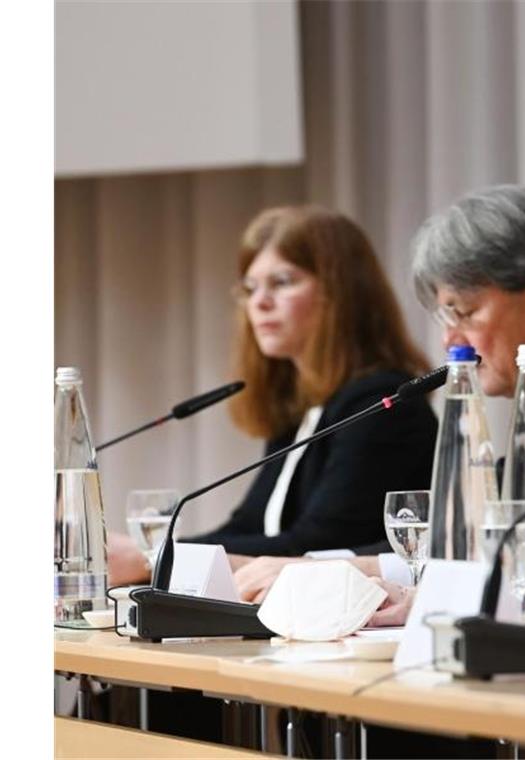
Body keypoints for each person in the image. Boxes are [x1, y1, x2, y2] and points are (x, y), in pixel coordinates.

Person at [233, 185, 525, 606]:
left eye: (464, 313)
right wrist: (328, 568)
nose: (452, 344)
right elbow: (464, 533)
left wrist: (341, 569)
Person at [108, 205, 438, 585]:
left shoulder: (383, 406)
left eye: (282, 282)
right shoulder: (303, 405)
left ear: (341, 293)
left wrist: (153, 559)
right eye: (249, 289)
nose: (259, 303)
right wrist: (154, 555)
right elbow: (251, 524)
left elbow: (316, 545)